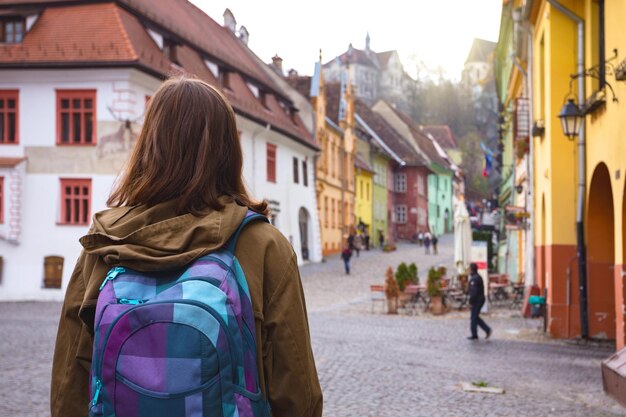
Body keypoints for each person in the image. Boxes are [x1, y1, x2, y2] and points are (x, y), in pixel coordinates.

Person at [50, 77, 323, 417]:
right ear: (228, 151)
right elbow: (297, 388)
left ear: (148, 145)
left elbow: (68, 383)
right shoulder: (263, 245)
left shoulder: (104, 244)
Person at [468, 263, 492, 340]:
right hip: (480, 299)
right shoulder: (477, 277)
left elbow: (474, 292)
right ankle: (487, 329)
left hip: (477, 300)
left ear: (471, 269)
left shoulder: (474, 279)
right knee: (475, 317)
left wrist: (471, 302)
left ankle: (475, 334)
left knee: (473, 317)